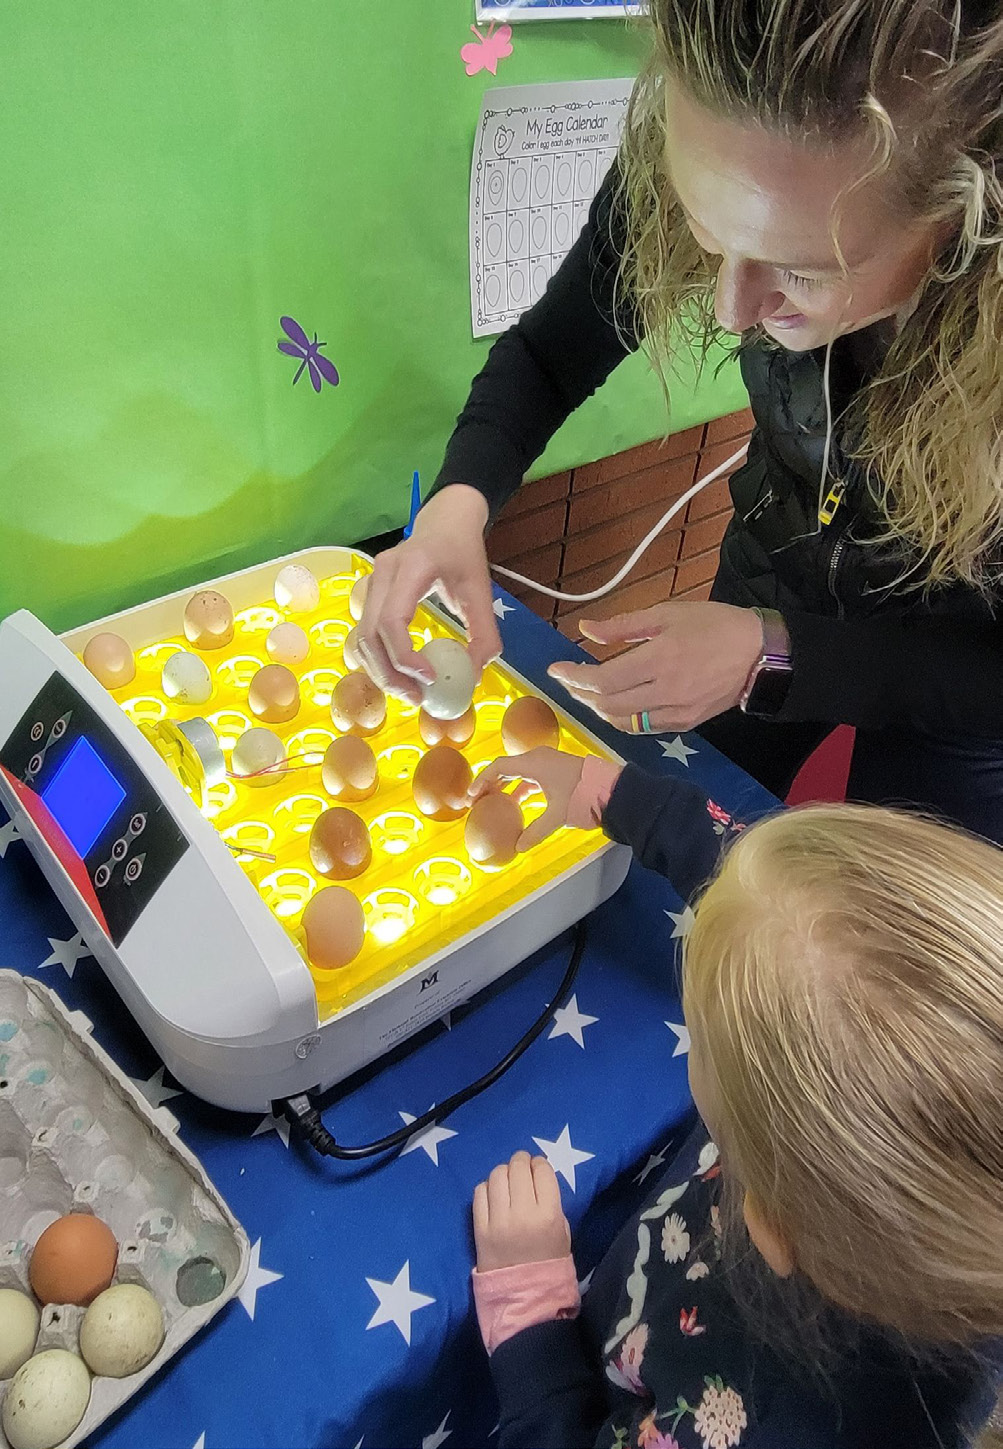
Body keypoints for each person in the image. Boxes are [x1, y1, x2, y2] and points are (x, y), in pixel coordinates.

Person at [357, 1, 1003, 844]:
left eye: (803, 273)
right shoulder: (720, 144)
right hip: (779, 563)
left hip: (968, 675)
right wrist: (458, 502)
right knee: (704, 819)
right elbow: (552, 352)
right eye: (706, 232)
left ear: (965, 211)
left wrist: (777, 656)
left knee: (911, 919)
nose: (734, 311)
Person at [465, 769, 1003, 1447]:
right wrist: (635, 802)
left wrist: (532, 1324)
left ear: (767, 1229)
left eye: (704, 1038)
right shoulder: (927, 1193)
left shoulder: (769, 1421)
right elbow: (805, 929)